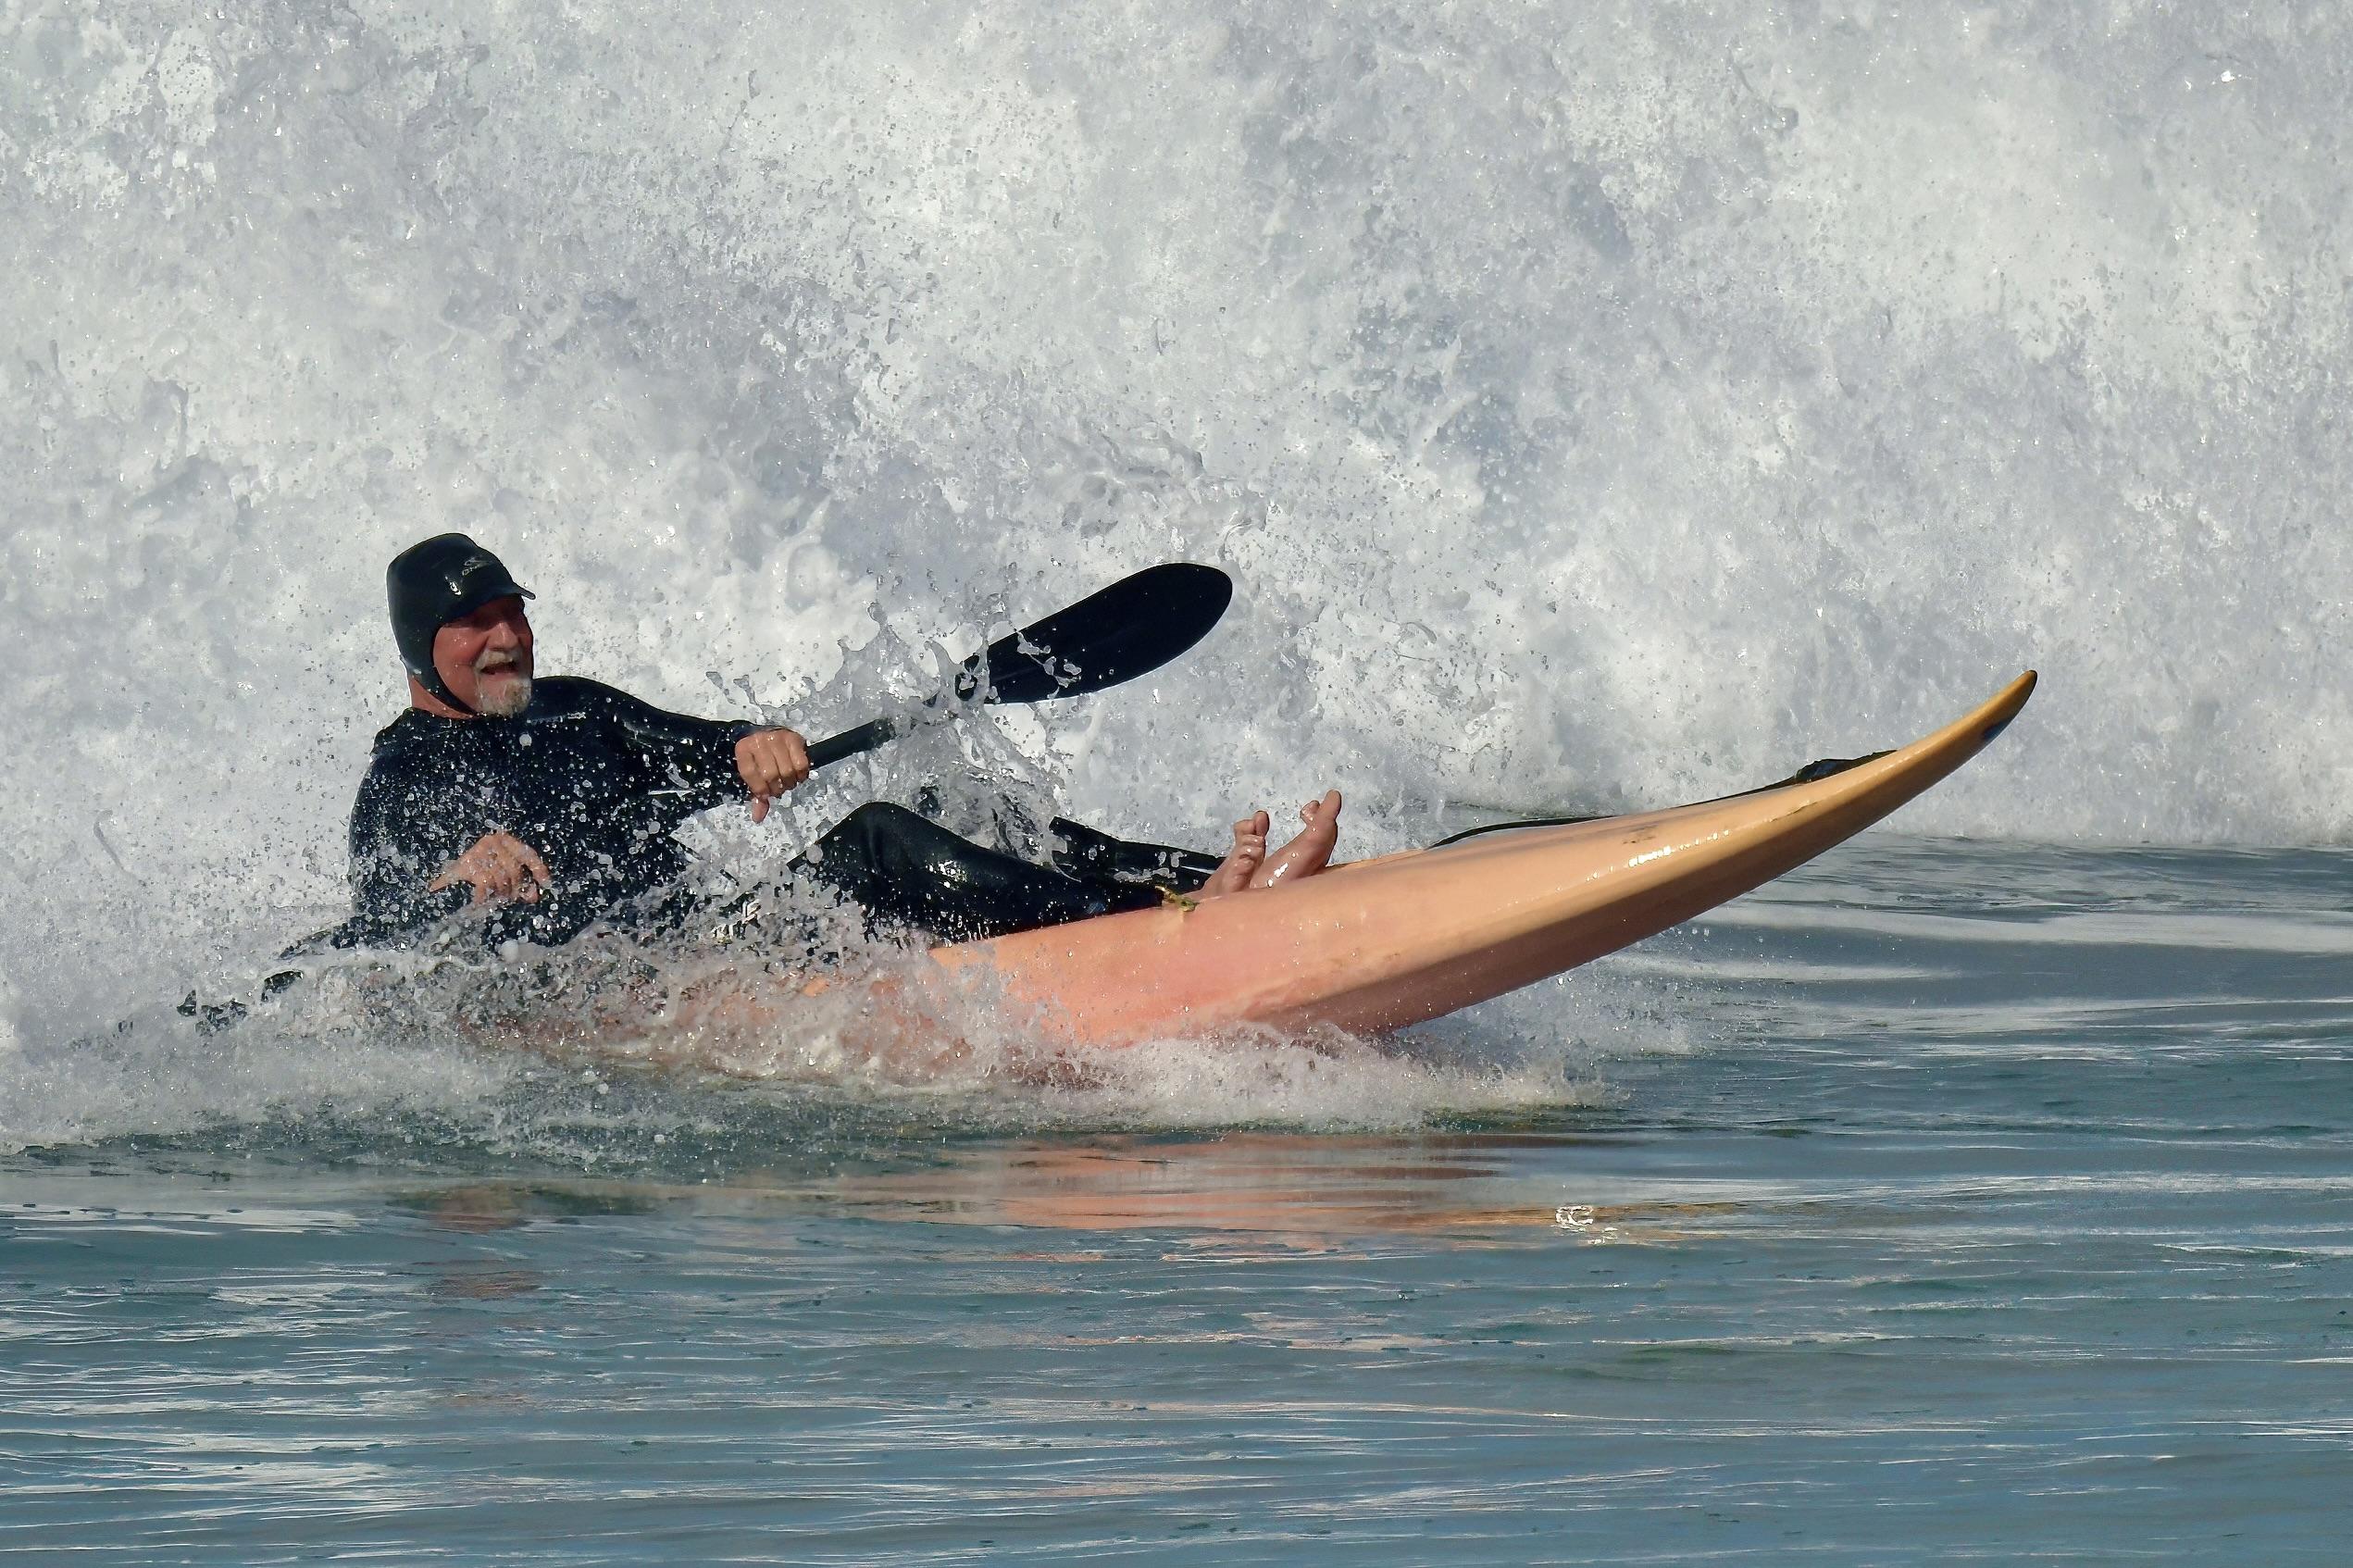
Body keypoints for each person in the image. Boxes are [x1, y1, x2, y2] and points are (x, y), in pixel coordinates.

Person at [338, 533, 1343, 956]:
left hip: (715, 943)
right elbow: (382, 916)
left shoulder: (577, 710)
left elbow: (704, 751)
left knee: (964, 808)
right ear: (422, 647)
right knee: (877, 841)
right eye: (476, 623)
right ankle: (1151, 924)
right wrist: (459, 875)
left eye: (514, 611)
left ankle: (1215, 877)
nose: (507, 635)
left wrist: (755, 747)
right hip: (651, 995)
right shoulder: (403, 776)